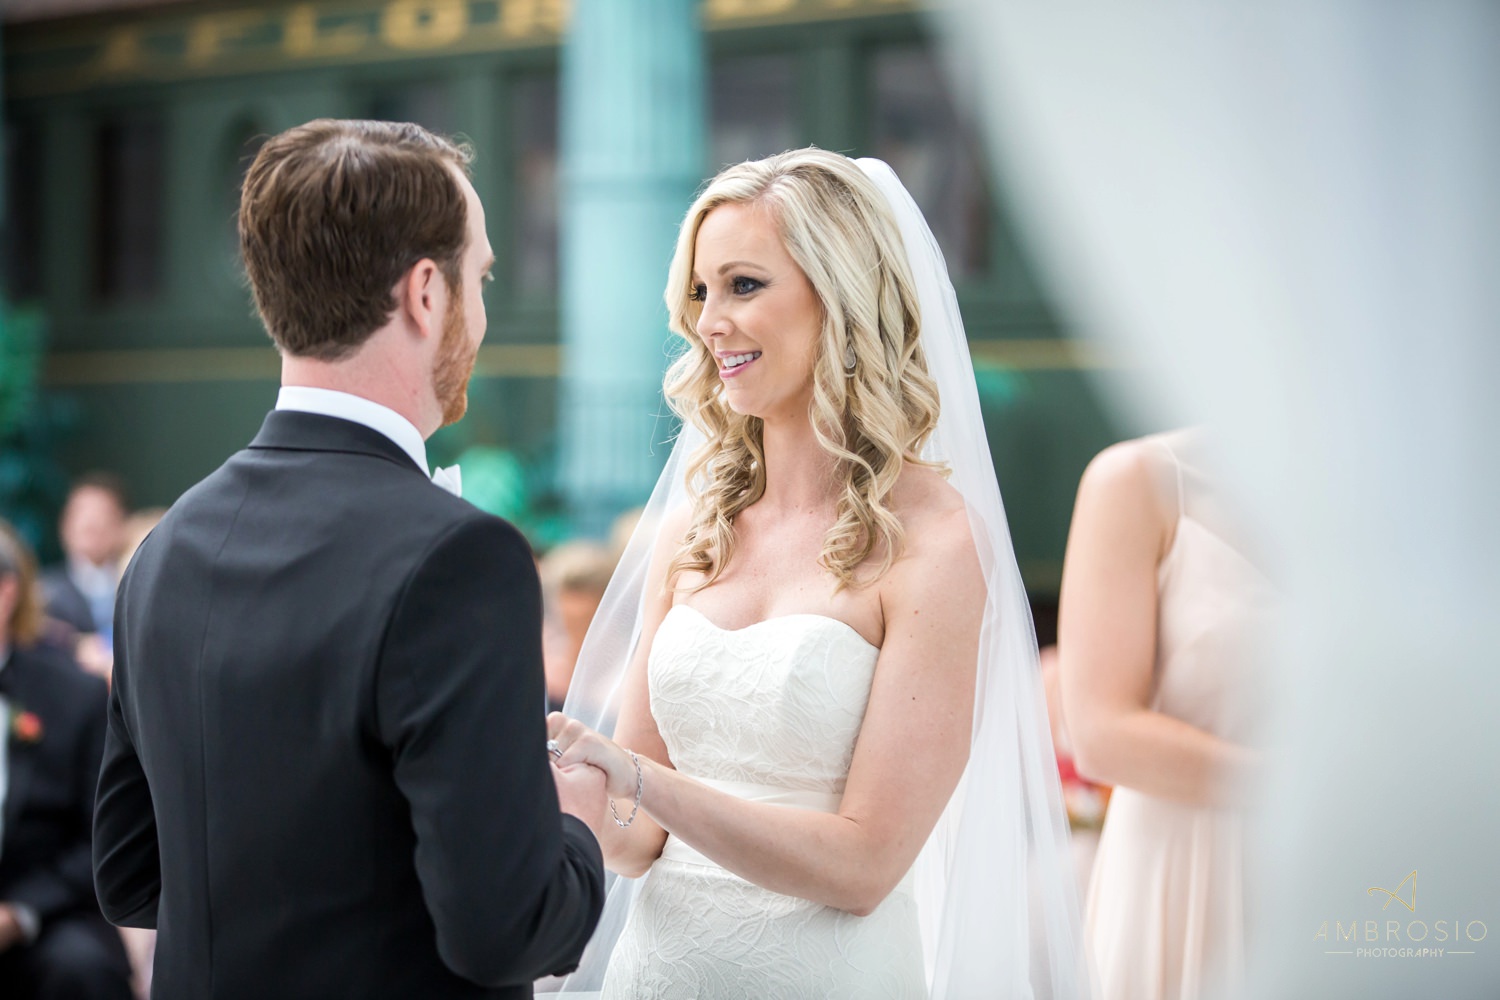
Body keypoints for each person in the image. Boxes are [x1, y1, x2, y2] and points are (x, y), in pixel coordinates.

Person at [545, 149, 1084, 998]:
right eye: (700, 291)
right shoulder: (692, 532)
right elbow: (638, 836)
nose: (709, 322)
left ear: (842, 296)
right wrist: (565, 787)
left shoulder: (937, 543)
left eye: (743, 285)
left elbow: (865, 864)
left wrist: (639, 779)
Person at [92, 119, 607, 1000]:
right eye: (480, 278)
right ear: (425, 293)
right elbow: (505, 931)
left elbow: (131, 874)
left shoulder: (165, 548)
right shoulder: (461, 557)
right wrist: (577, 830)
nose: (482, 311)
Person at [1057, 431, 1275, 1000]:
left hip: (1347, 871)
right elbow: (1102, 734)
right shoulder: (1138, 482)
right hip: (1190, 874)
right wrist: (1299, 788)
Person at [0, 520, 133, 1000]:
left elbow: (99, 836)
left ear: (7, 592)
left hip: (45, 910)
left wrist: (18, 913)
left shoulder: (72, 696)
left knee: (83, 969)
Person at [40, 473, 129, 640]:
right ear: (65, 525)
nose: (91, 523)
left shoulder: (136, 587)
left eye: (102, 514)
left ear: (121, 523)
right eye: (82, 514)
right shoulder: (43, 593)